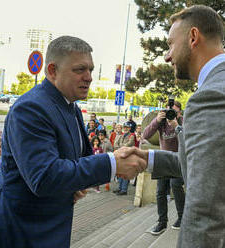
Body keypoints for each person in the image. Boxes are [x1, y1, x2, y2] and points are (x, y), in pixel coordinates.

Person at [0, 35, 146, 248]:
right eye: (79, 69)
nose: (89, 77)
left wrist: (77, 183)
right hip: (19, 231)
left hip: (48, 228)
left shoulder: (70, 106)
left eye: (91, 69)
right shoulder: (30, 108)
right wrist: (111, 163)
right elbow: (44, 176)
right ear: (52, 71)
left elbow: (80, 160)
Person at [121, 5, 225, 247]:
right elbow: (206, 167)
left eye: (170, 44)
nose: (167, 56)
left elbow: (205, 210)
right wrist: (148, 159)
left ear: (193, 37)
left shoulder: (210, 97)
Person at [143, 101, 185, 235]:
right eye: (169, 112)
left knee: (176, 186)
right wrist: (156, 120)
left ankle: (182, 218)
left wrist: (177, 126)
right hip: (163, 158)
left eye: (175, 112)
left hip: (178, 159)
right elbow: (145, 135)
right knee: (160, 191)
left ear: (179, 113)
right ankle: (162, 222)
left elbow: (187, 139)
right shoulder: (161, 122)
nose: (171, 115)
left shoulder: (183, 121)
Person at [113, 122, 135, 195]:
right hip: (121, 155)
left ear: (129, 128)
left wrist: (120, 147)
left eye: (127, 127)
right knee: (120, 173)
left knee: (125, 173)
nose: (125, 129)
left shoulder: (131, 135)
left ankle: (124, 190)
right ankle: (120, 188)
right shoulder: (122, 135)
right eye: (124, 127)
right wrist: (120, 147)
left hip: (128, 156)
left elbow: (128, 144)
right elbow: (116, 144)